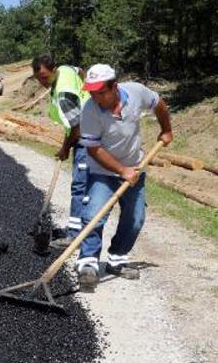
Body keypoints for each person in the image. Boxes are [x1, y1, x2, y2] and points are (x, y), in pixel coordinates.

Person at [77, 64, 173, 291]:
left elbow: (158, 104)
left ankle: (117, 259)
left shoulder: (137, 92)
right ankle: (87, 263)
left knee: (135, 218)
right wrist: (121, 171)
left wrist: (166, 129)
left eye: (101, 92)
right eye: (91, 92)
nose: (95, 97)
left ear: (115, 86)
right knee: (94, 215)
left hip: (135, 167)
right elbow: (93, 149)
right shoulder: (89, 110)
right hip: (103, 170)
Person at [32, 54, 90, 248]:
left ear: (53, 70)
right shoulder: (66, 70)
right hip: (89, 130)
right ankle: (80, 229)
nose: (43, 82)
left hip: (87, 136)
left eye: (45, 77)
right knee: (84, 186)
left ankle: (75, 236)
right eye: (39, 78)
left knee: (80, 186)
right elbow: (80, 70)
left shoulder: (64, 93)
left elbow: (77, 127)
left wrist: (65, 147)